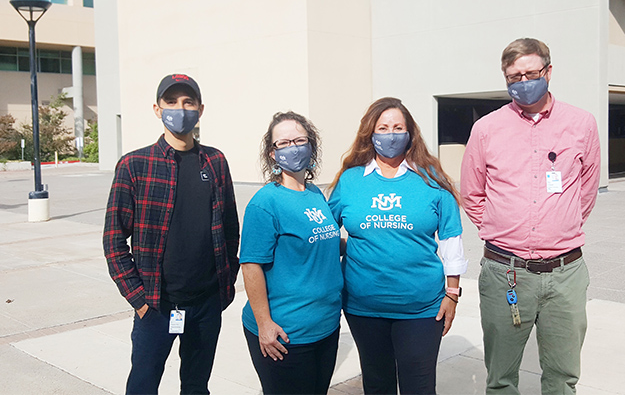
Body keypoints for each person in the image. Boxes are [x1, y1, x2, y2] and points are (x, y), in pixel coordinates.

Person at [460, 38, 601, 395]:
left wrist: (558, 225)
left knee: (562, 377)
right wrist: (504, 230)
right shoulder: (487, 129)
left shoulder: (582, 124)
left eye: (530, 73)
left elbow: (586, 192)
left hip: (565, 274)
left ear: (548, 72)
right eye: (513, 77)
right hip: (505, 272)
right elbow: (472, 194)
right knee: (502, 378)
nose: (523, 82)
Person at [103, 74, 240, 395]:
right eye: (172, 102)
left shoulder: (215, 161)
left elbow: (231, 230)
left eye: (188, 102)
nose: (181, 109)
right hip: (156, 305)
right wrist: (138, 300)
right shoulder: (134, 165)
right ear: (157, 108)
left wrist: (224, 287)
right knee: (143, 385)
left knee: (196, 386)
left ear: (200, 109)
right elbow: (113, 240)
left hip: (206, 304)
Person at [328, 97, 467, 395]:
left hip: (421, 308)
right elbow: (325, 230)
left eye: (398, 127)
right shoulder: (351, 180)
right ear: (370, 133)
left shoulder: (432, 180)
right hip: (363, 308)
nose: (390, 134)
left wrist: (452, 293)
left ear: (410, 133)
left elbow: (452, 241)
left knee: (418, 386)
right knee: (377, 385)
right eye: (383, 127)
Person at [240, 111, 342, 395]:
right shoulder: (265, 203)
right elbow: (251, 266)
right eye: (283, 143)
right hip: (285, 334)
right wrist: (264, 324)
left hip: (325, 326)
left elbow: (323, 242)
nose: (293, 147)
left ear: (311, 146)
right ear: (272, 154)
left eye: (299, 140)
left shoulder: (316, 195)